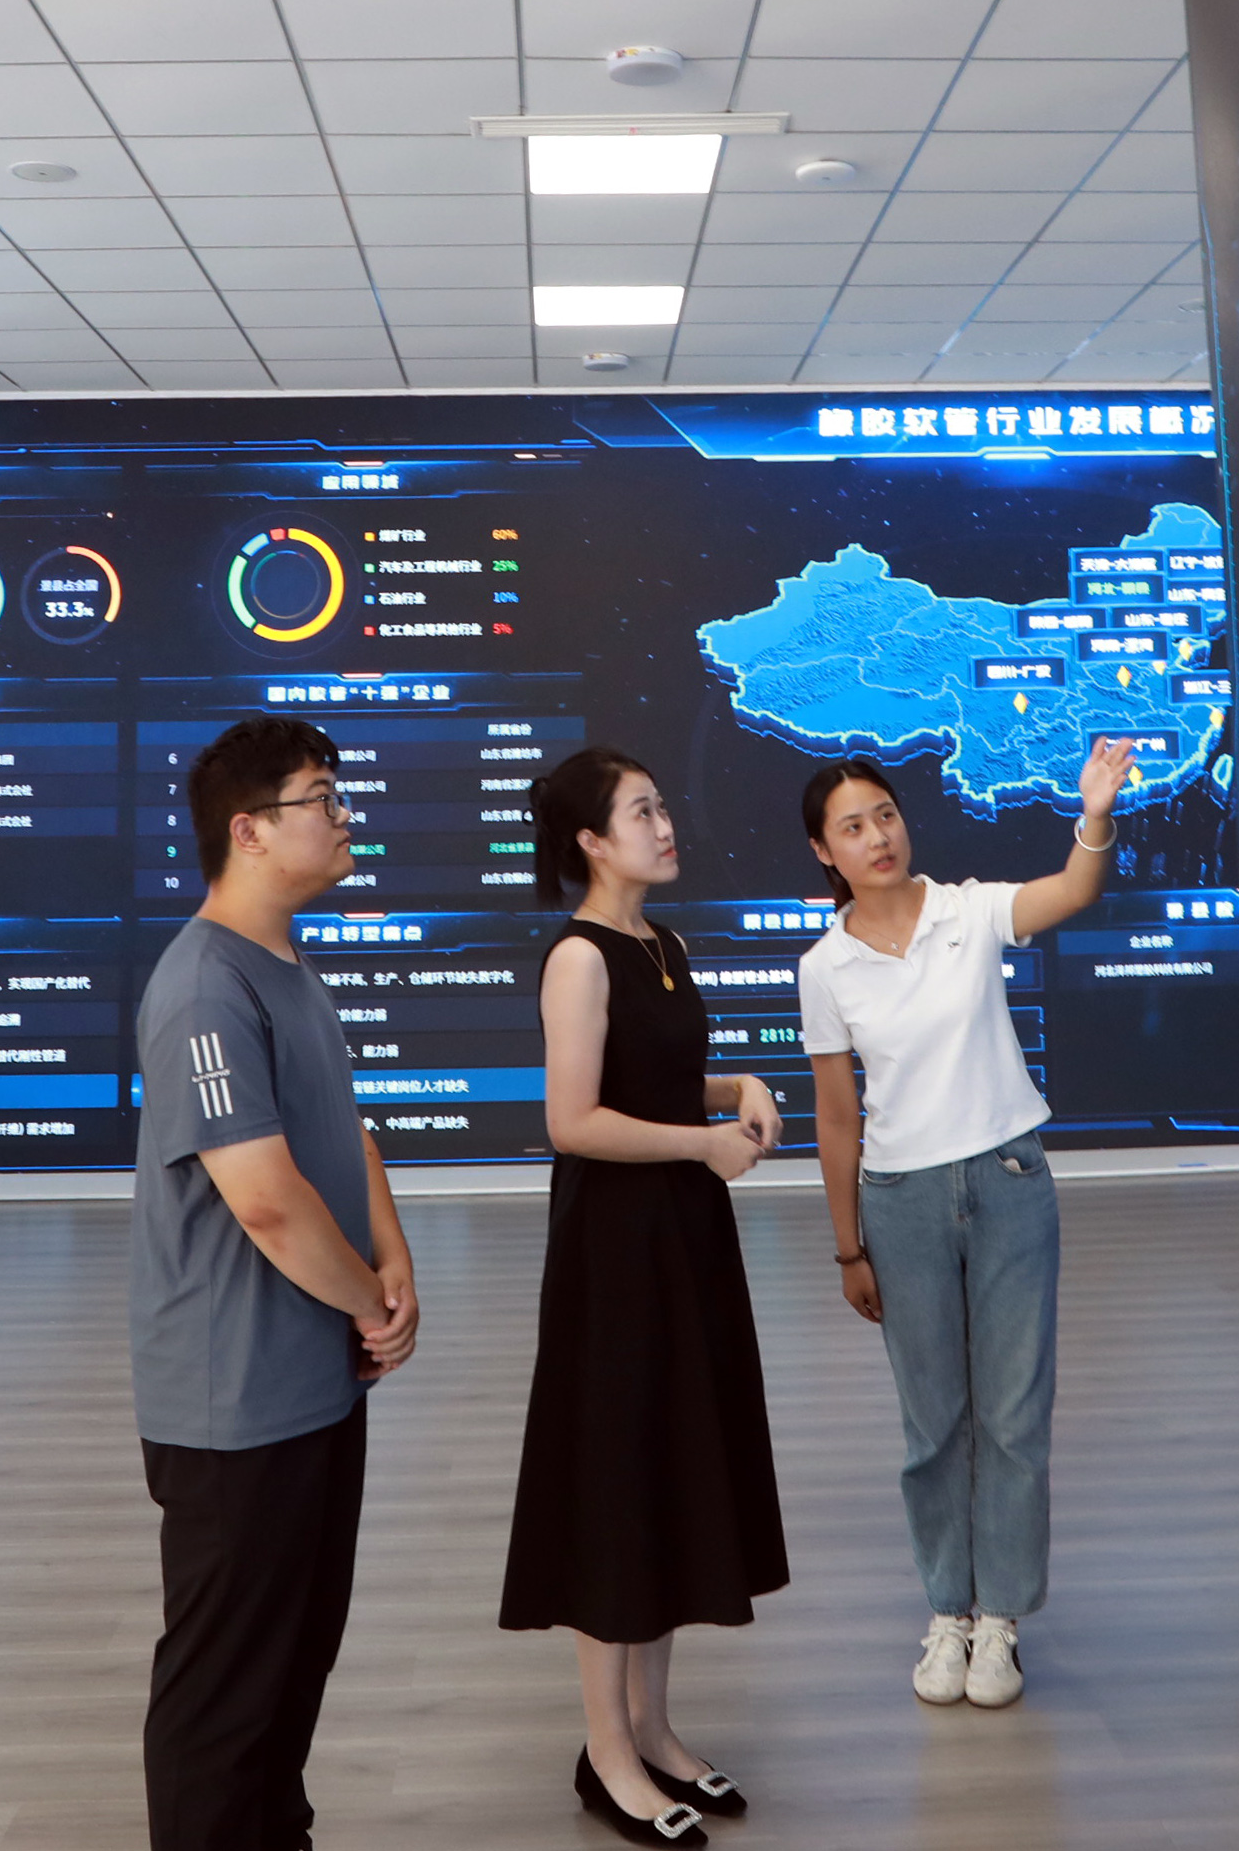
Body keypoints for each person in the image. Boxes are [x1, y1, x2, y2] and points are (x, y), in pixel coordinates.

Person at [129, 716, 422, 1851]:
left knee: (293, 1661)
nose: (344, 817)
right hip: (234, 1405)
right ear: (248, 831)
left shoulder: (288, 965)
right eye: (322, 799)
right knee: (224, 1691)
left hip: (314, 1385)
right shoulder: (205, 987)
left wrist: (392, 1262)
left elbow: (343, 1130)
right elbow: (261, 1195)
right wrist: (367, 1302)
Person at [796, 737, 1135, 1711]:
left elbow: (1071, 890)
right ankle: (949, 1608)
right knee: (934, 1424)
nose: (877, 837)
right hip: (899, 1203)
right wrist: (848, 1246)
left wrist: (1095, 814)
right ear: (824, 851)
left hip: (1008, 1179)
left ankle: (1003, 1624)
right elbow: (836, 1117)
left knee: (1013, 1416)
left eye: (886, 815)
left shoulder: (968, 910)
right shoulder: (825, 967)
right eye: (852, 827)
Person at [499, 749, 788, 1844]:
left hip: (682, 1239)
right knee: (618, 1489)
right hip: (616, 1252)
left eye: (663, 806)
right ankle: (607, 1754)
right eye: (642, 812)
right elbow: (573, 1121)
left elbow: (653, 1079)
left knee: (670, 1474)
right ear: (590, 841)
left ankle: (655, 1731)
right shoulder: (579, 957)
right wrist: (705, 1144)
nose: (666, 825)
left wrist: (736, 1084)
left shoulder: (660, 944)